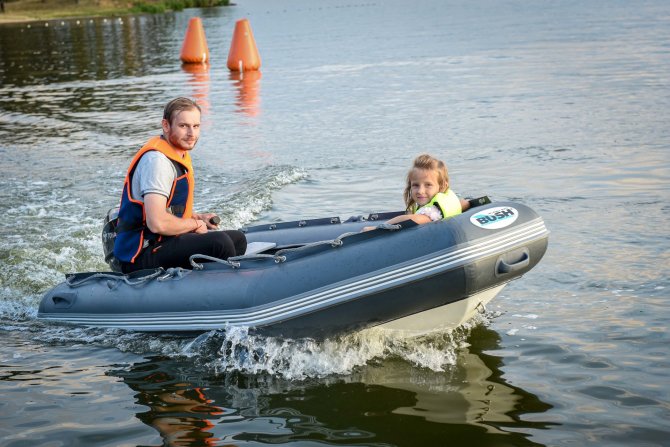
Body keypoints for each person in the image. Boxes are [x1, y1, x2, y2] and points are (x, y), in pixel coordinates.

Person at [113, 97, 246, 273]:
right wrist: (194, 225)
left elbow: (170, 208)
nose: (192, 133)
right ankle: (222, 293)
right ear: (166, 126)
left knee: (237, 239)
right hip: (140, 253)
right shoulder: (157, 162)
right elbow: (157, 223)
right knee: (220, 243)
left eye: (196, 126)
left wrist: (198, 218)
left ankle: (204, 281)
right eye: (183, 126)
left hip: (163, 242)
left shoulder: (178, 154)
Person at [365, 154, 470, 230]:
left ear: (442, 186)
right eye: (415, 185)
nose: (420, 191)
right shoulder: (443, 200)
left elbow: (413, 219)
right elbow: (464, 203)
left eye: (428, 185)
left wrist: (376, 228)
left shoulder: (434, 210)